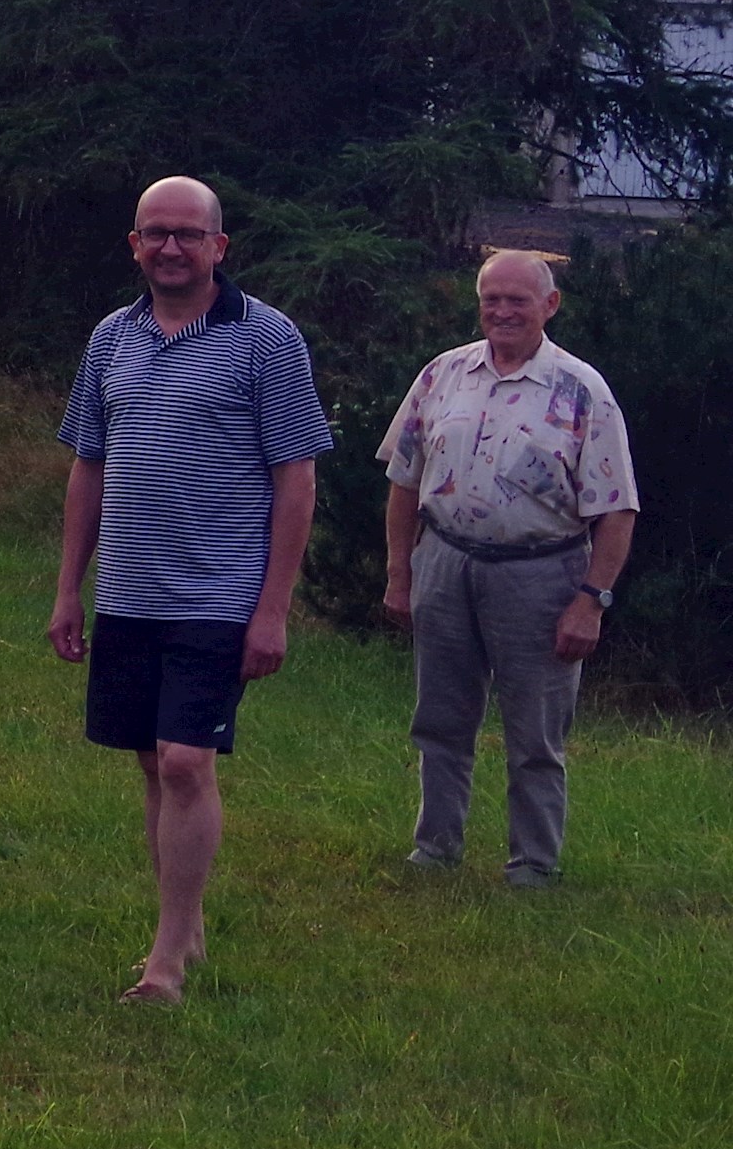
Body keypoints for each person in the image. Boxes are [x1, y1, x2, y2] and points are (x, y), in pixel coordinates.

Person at [49, 175, 334, 1003]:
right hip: (130, 591)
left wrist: (273, 608)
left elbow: (296, 478)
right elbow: (87, 467)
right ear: (134, 244)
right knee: (150, 759)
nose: (170, 247)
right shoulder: (112, 337)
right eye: (154, 233)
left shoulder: (267, 340)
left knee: (184, 760)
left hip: (219, 595)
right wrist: (70, 588)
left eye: (187, 233)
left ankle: (166, 962)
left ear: (219, 246)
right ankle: (189, 918)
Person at [378, 249, 638, 884]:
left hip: (541, 575)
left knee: (535, 735)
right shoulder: (443, 375)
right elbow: (404, 482)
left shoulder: (582, 390)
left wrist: (590, 600)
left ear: (549, 306)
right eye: (491, 298)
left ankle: (533, 865)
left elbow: (618, 510)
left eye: (517, 299)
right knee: (440, 718)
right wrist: (399, 574)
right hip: (445, 562)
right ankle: (435, 850)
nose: (502, 311)